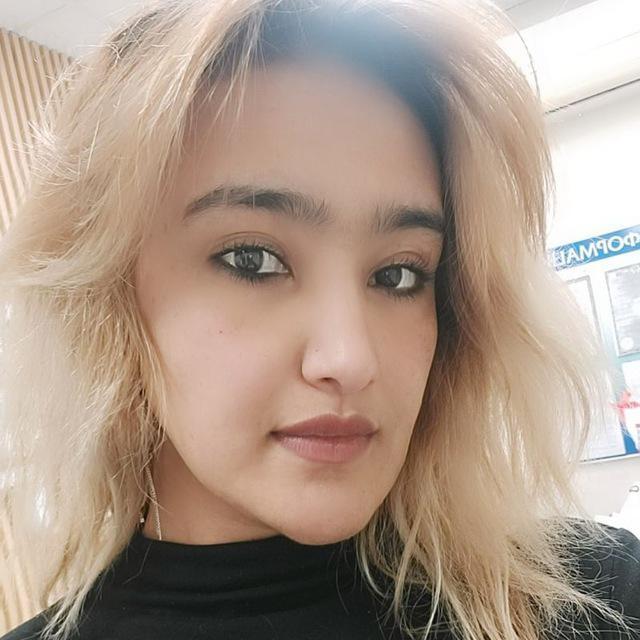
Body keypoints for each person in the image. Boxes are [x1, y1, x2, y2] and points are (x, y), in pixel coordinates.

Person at [0, 0, 638, 638]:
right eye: (252, 259)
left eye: (399, 274)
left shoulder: (590, 601)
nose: (349, 359)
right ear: (109, 294)